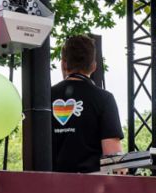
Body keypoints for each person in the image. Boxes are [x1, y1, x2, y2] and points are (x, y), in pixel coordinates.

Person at [50, 34, 124, 173]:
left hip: (48, 185)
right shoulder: (104, 98)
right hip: (90, 188)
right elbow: (113, 158)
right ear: (94, 66)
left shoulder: (44, 97)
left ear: (64, 63)